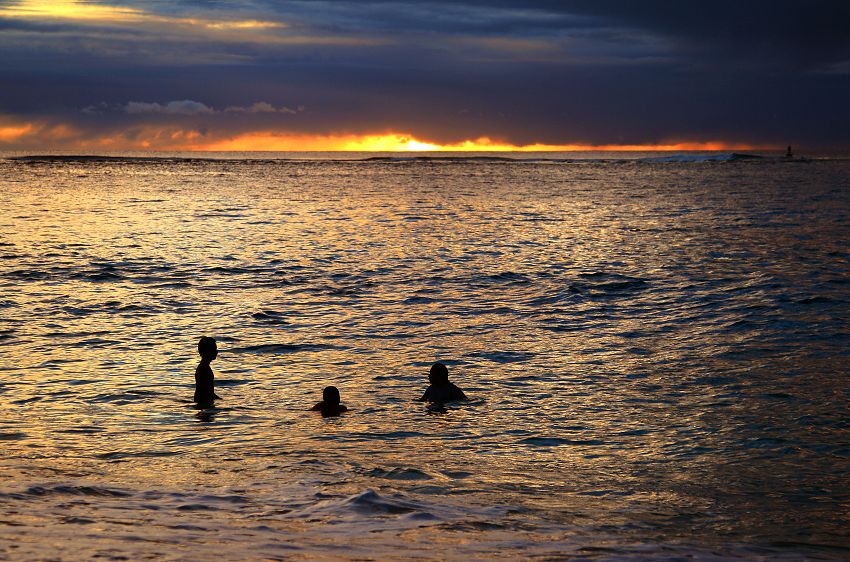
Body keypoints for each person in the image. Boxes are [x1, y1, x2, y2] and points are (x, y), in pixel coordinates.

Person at [194, 336, 221, 404]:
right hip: (204, 403)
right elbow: (206, 392)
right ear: (207, 351)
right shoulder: (204, 369)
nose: (216, 352)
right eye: (214, 349)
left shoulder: (203, 367)